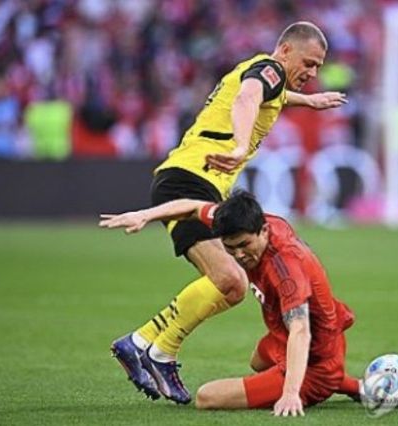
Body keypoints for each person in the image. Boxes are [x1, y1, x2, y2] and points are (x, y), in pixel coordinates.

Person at [105, 21, 348, 404]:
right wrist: (239, 145)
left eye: (318, 66)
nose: (313, 72)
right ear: (285, 50)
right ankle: (149, 345)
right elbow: (247, 98)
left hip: (190, 182)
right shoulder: (268, 70)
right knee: (231, 279)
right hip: (190, 180)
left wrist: (309, 101)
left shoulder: (267, 75)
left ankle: (151, 346)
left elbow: (270, 95)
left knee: (232, 282)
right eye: (309, 62)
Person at [100, 191, 361, 416]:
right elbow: (192, 207)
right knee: (258, 361)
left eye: (244, 245)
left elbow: (301, 329)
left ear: (264, 231)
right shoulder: (244, 220)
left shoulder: (286, 268)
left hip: (316, 360)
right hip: (288, 338)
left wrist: (291, 393)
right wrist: (145, 215)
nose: (239, 255)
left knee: (207, 397)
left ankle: (326, 382)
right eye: (230, 248)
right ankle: (355, 386)